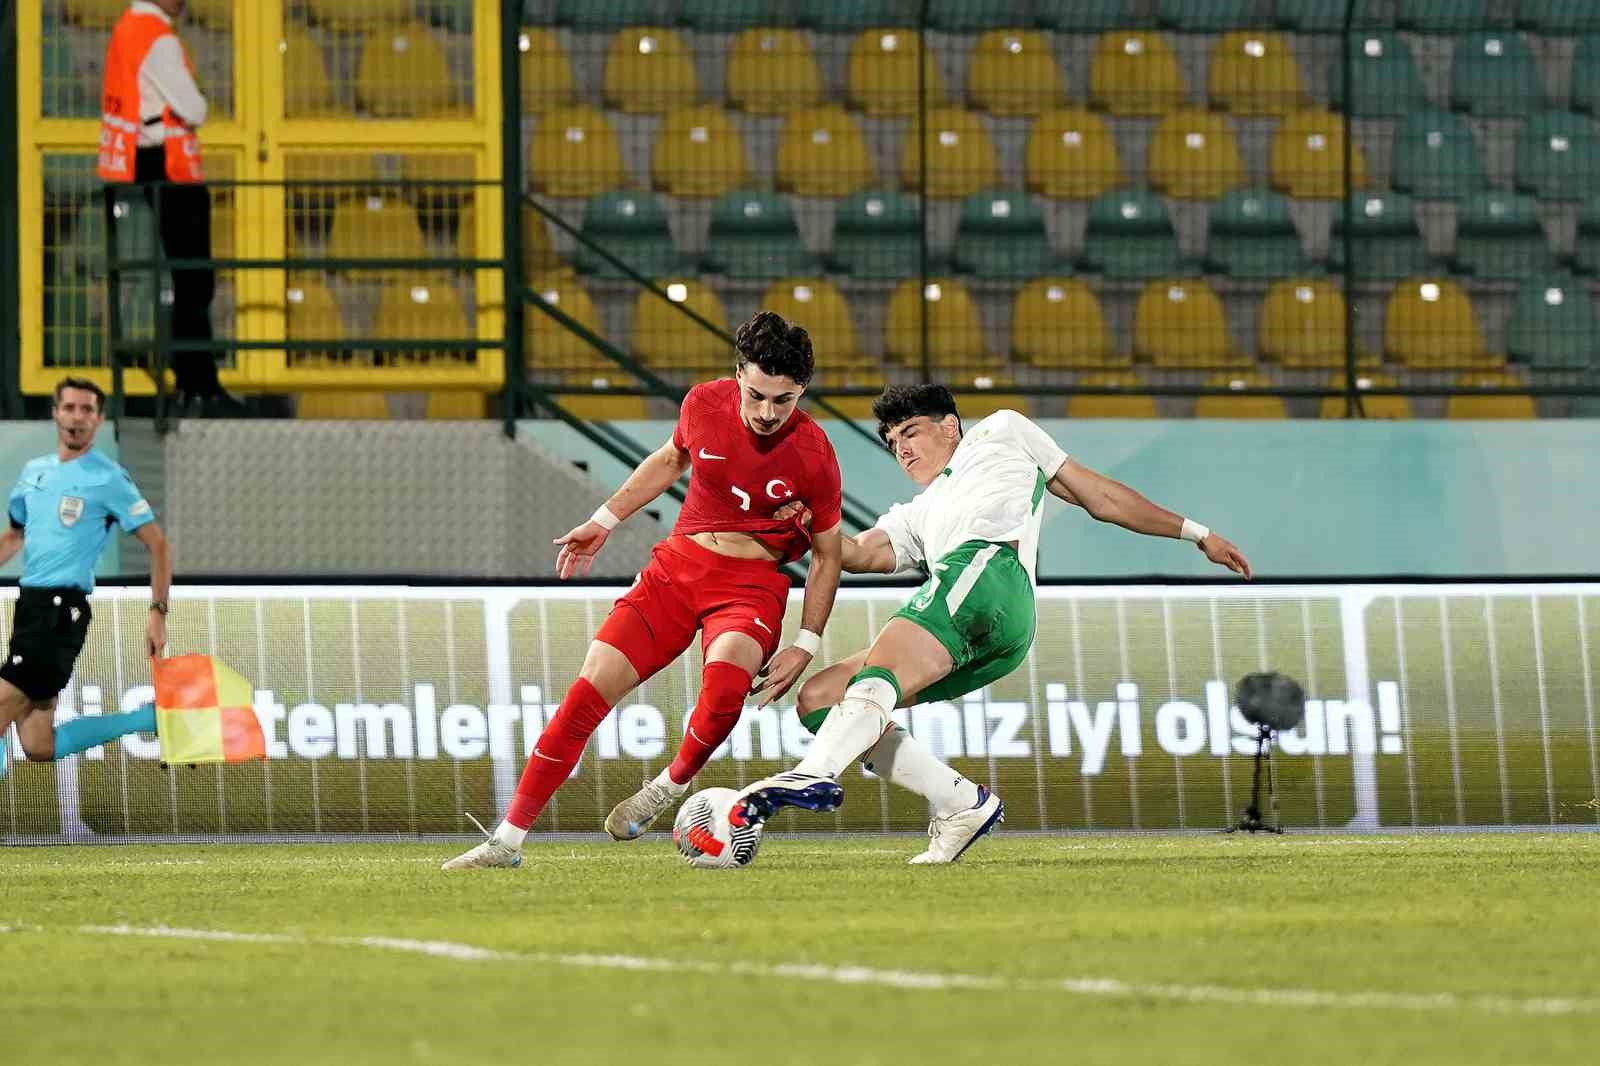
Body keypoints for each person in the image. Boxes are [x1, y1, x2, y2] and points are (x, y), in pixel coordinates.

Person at [734, 384, 1253, 863]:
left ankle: (815, 773)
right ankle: (961, 804)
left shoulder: (1002, 431)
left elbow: (1101, 497)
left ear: (951, 426)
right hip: (993, 635)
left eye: (911, 432)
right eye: (893, 443)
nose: (903, 449)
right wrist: (807, 523)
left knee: (880, 668)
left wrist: (1196, 533)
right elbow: (854, 552)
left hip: (988, 570)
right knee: (822, 697)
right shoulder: (916, 513)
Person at [443, 311, 844, 869]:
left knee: (727, 686)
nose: (768, 412)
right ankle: (506, 842)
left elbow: (829, 553)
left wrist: (806, 642)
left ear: (801, 393)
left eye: (785, 401)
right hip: (677, 570)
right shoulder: (703, 403)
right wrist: (604, 520)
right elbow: (672, 458)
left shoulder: (815, 455)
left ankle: (668, 785)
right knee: (585, 696)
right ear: (737, 375)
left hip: (751, 586)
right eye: (757, 395)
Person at [0, 378, 171, 782]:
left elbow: (158, 545)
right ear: (56, 413)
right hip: (31, 609)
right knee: (38, 744)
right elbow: (15, 535)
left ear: (99, 419)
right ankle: (145, 719)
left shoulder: (108, 478)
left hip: (61, 612)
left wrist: (158, 611)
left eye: (87, 410)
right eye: (70, 408)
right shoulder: (34, 472)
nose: (77, 418)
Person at [97, 0, 240, 414]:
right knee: (195, 279)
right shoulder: (157, 37)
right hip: (170, 167)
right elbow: (194, 108)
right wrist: (199, 108)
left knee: (185, 276)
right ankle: (199, 386)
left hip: (141, 162)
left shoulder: (127, 27)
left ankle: (194, 382)